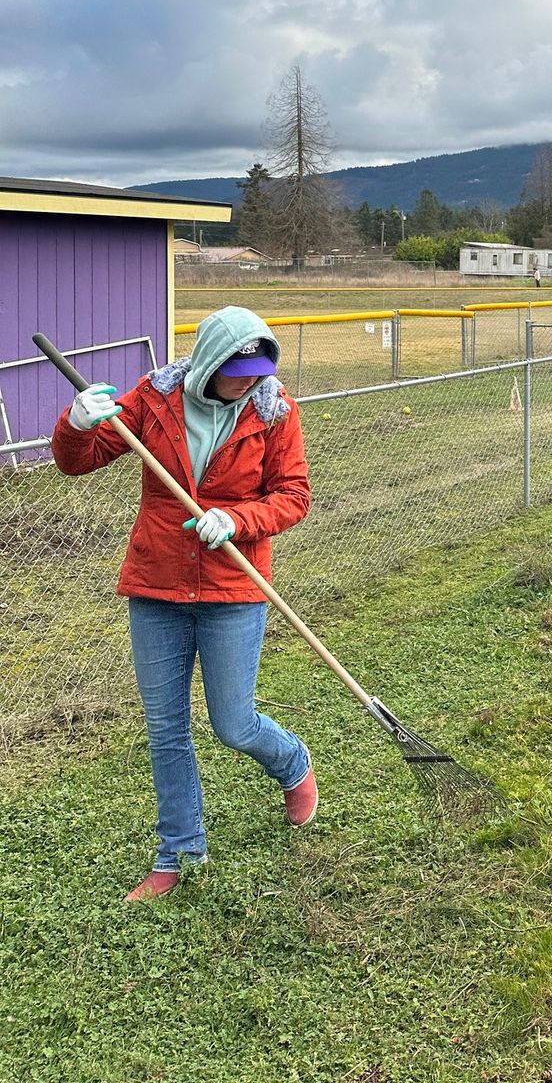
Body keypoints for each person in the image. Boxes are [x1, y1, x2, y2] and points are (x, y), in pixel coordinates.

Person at [50, 306, 314, 903]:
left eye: (258, 372)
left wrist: (238, 517)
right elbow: (76, 462)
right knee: (166, 728)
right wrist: (75, 422)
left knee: (233, 723)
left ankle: (293, 763)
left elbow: (293, 495)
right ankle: (178, 852)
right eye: (238, 372)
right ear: (210, 363)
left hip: (232, 587)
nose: (250, 383)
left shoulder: (274, 412)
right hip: (157, 584)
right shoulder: (157, 399)